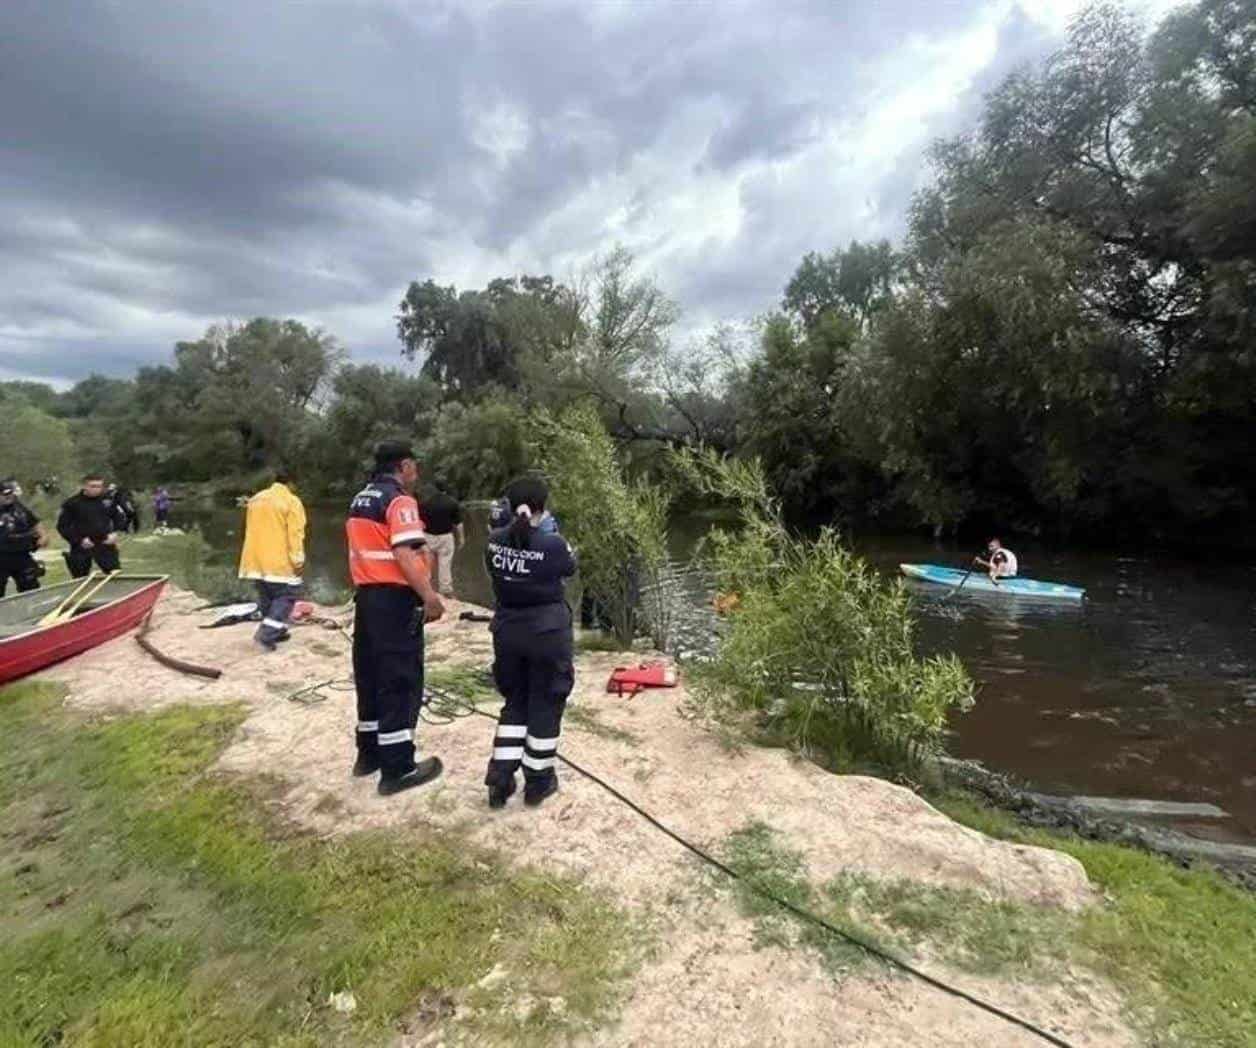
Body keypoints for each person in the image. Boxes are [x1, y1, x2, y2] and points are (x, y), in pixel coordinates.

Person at [346, 440, 446, 796]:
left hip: (367, 598)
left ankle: (368, 754)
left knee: (370, 675)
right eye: (414, 466)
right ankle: (398, 767)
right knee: (400, 679)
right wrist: (430, 597)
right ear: (403, 466)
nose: (416, 473)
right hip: (394, 600)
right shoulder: (399, 501)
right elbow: (403, 553)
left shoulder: (361, 498)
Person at [483, 475, 577, 809]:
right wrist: (550, 533)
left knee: (515, 701)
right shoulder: (552, 543)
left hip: (507, 632)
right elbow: (569, 568)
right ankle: (538, 782)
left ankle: (500, 779)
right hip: (547, 633)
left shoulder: (493, 541)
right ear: (543, 506)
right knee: (547, 702)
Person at [238, 469, 307, 651]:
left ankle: (278, 630)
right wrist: (298, 560)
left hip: (254, 560)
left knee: (267, 596)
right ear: (291, 483)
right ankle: (266, 635)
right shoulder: (291, 502)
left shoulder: (257, 499)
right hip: (278, 560)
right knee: (286, 596)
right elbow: (295, 534)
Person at [56, 474, 128, 578]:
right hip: (82, 544)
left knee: (114, 575)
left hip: (105, 542)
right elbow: (63, 526)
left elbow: (120, 518)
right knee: (80, 578)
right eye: (93, 486)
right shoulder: (72, 503)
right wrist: (79, 540)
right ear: (84, 486)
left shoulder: (107, 501)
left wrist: (115, 533)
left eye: (99, 486)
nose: (96, 489)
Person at [418, 477, 464, 598]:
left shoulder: (425, 503)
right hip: (445, 537)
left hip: (428, 536)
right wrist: (461, 538)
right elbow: (458, 524)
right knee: (445, 563)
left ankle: (425, 588)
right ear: (446, 487)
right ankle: (446, 590)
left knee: (427, 563)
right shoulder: (452, 503)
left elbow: (419, 522)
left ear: (435, 488)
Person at [0, 479, 47, 596]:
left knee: (30, 588)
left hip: (22, 555)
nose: (9, 497)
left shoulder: (18, 507)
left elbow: (35, 522)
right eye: (5, 494)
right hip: (1, 556)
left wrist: (43, 535)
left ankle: (31, 611)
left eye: (10, 493)